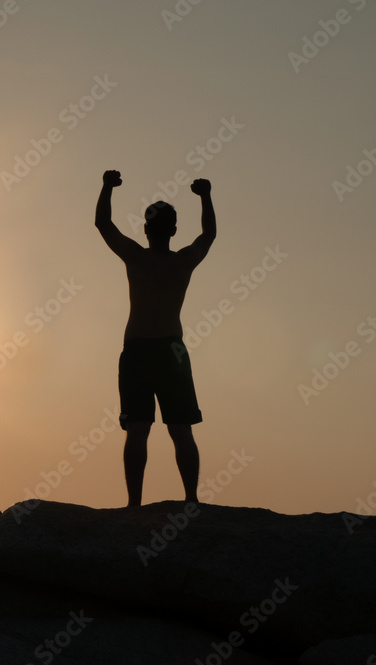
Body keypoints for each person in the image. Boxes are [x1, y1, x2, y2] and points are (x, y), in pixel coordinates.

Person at [94, 169, 216, 507]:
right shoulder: (183, 262)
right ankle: (191, 499)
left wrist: (107, 187)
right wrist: (205, 195)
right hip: (170, 350)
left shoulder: (136, 257)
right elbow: (209, 234)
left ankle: (135, 503)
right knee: (181, 430)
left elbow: (103, 224)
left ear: (146, 230)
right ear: (174, 230)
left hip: (138, 351)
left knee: (138, 429)